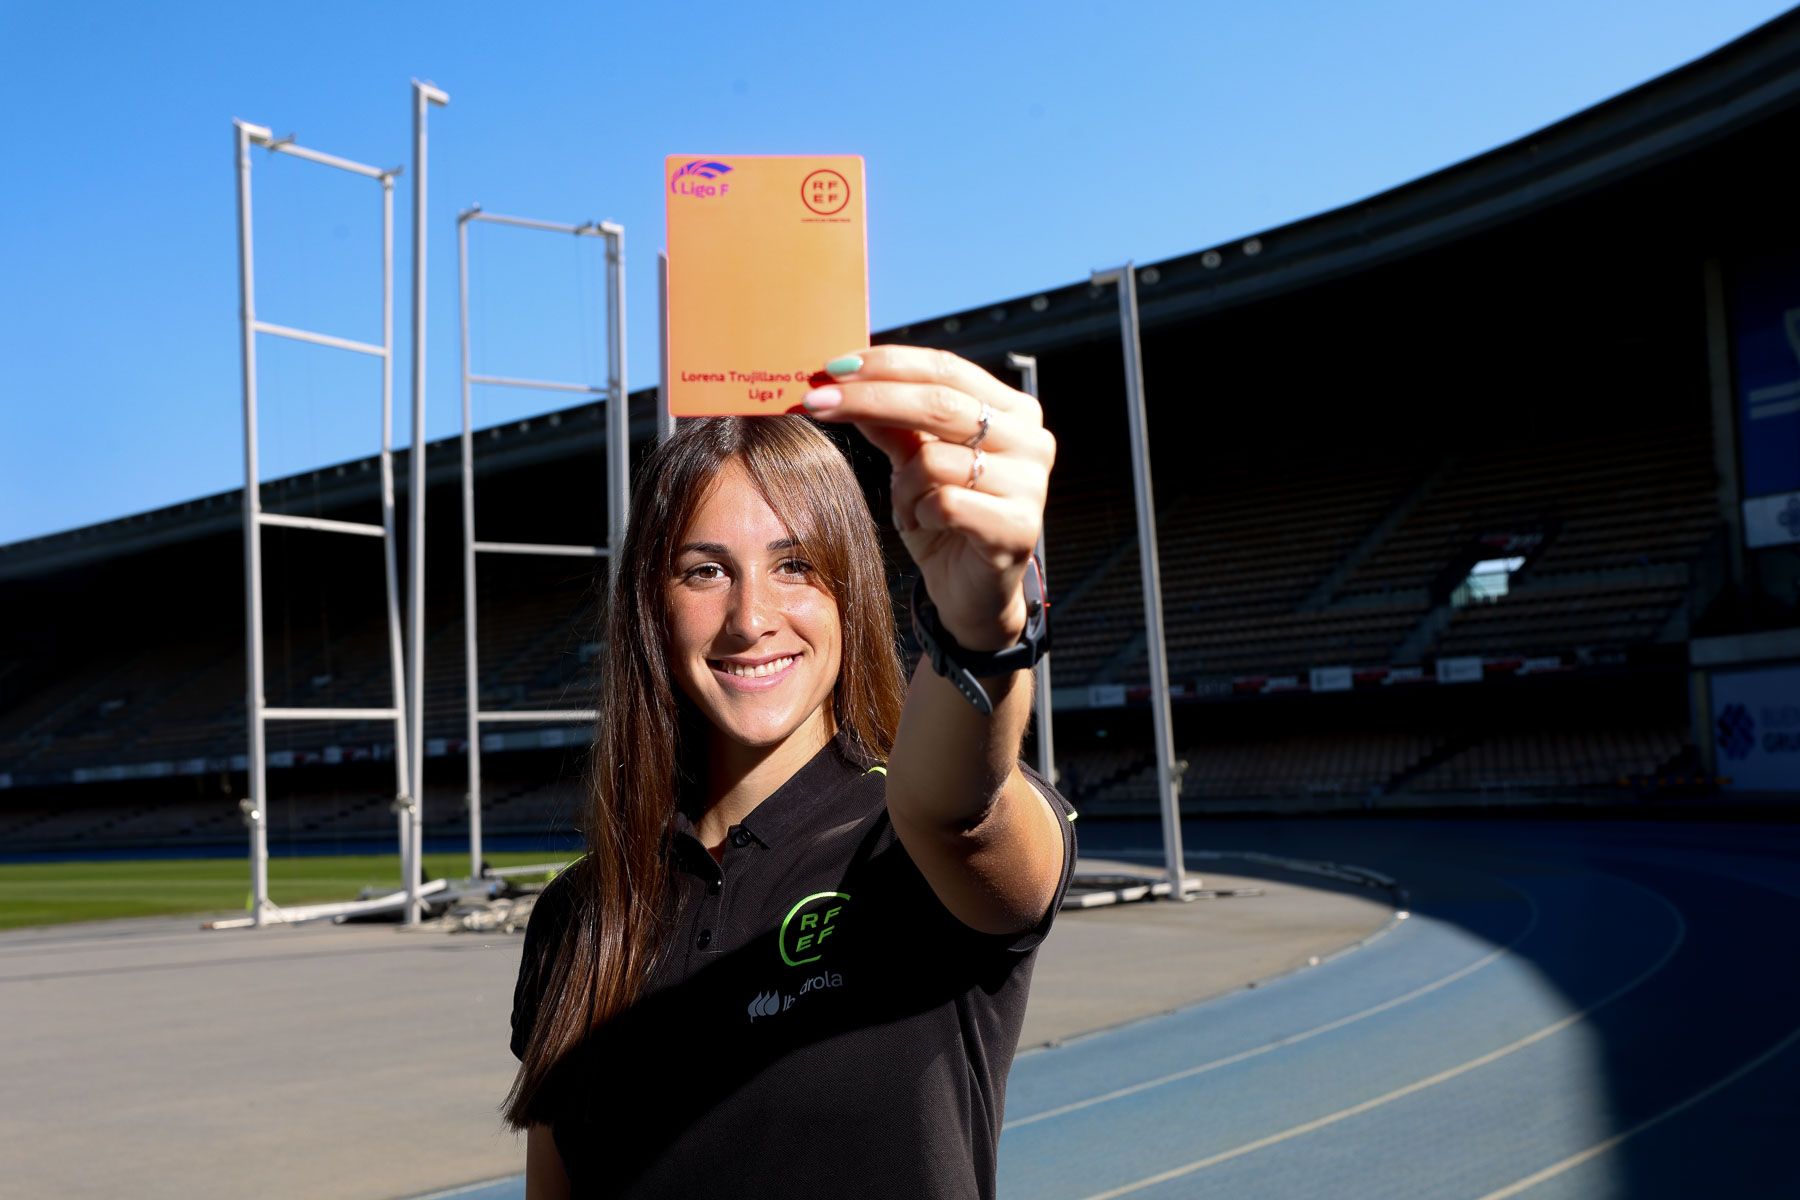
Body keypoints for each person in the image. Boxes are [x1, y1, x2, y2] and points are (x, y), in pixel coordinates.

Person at [505, 346, 1075, 1199]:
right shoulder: (579, 917)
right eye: (704, 571)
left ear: (852, 592)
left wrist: (982, 630)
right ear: (651, 610)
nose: (750, 618)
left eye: (796, 565)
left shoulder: (906, 845)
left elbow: (957, 810)